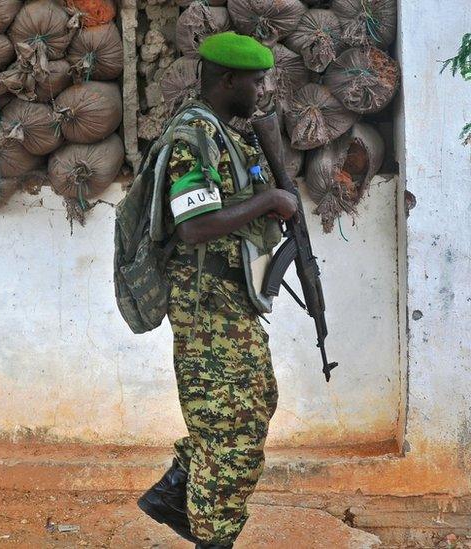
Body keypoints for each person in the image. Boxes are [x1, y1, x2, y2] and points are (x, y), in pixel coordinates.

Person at [135, 32, 299, 548]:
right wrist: (269, 199)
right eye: (255, 80)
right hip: (207, 307)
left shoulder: (227, 132)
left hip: (230, 302)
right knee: (231, 436)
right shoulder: (192, 137)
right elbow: (194, 226)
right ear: (228, 80)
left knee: (251, 404)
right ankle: (213, 537)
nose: (262, 88)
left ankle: (173, 493)